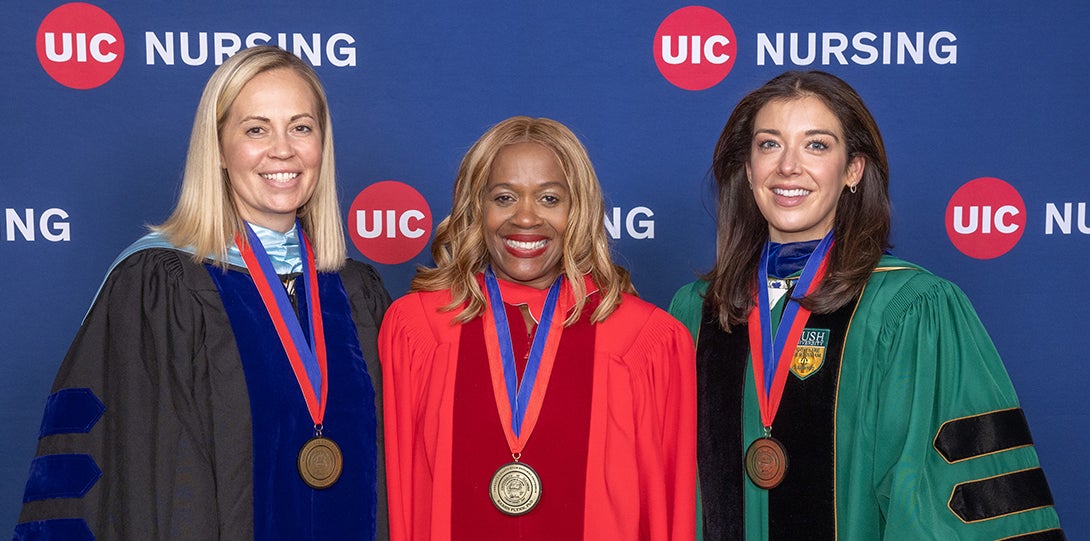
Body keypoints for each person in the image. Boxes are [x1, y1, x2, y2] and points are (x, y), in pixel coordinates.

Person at [14, 46, 390, 540]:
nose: (284, 150)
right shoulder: (160, 288)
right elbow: (150, 487)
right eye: (256, 129)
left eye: (301, 127)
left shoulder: (356, 292)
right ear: (218, 148)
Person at [669, 70, 1064, 540]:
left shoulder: (910, 309)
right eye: (769, 144)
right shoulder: (697, 312)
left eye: (816, 145)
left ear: (853, 170)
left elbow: (939, 503)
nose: (788, 167)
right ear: (748, 167)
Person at [379, 116, 696, 540]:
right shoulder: (419, 329)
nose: (525, 218)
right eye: (504, 197)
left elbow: (666, 516)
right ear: (477, 207)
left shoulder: (644, 340)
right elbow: (404, 503)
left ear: (578, 209)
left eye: (549, 198)